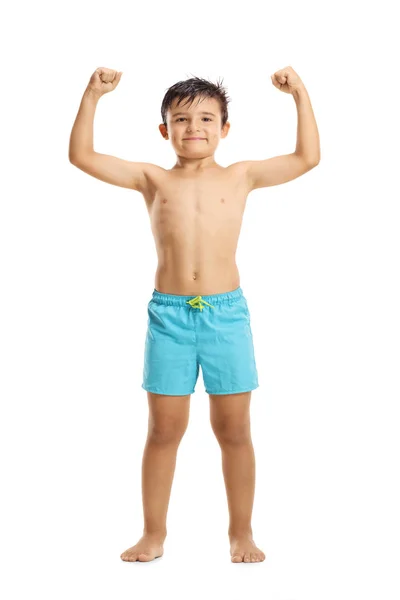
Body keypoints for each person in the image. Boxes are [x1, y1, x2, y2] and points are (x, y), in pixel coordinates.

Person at [68, 66, 320, 563]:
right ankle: (153, 534)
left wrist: (300, 95)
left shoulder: (241, 175)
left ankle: (241, 533)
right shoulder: (152, 178)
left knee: (234, 430)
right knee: (163, 430)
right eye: (181, 120)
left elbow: (307, 158)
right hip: (170, 317)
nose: (194, 128)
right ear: (165, 130)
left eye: (207, 118)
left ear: (225, 128)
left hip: (227, 317)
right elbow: (81, 156)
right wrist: (92, 95)